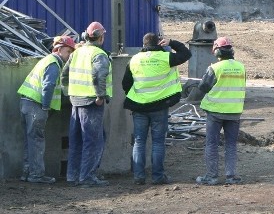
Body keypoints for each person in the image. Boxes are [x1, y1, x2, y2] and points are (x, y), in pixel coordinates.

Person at [123, 33, 191, 185]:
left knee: (139, 142)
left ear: (144, 44)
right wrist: (171, 42)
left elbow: (125, 83)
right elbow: (186, 53)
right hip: (160, 106)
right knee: (158, 142)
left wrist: (136, 97)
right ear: (159, 43)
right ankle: (158, 176)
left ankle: (139, 177)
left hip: (139, 106)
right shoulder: (166, 58)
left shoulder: (134, 60)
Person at [17, 35, 77, 184]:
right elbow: (48, 85)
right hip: (36, 106)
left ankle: (27, 173)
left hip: (26, 103)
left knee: (30, 141)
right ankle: (36, 175)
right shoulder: (53, 64)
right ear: (59, 49)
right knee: (37, 141)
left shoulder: (47, 60)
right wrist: (45, 105)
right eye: (68, 51)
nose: (70, 55)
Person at [61, 21, 112, 187]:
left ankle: (73, 176)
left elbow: (64, 74)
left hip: (76, 100)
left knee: (76, 140)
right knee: (93, 140)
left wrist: (68, 92)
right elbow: (99, 76)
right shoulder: (98, 54)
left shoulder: (77, 52)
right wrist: (100, 95)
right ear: (101, 37)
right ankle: (87, 177)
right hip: (91, 102)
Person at [195, 37, 246, 186]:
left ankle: (211, 176)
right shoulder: (241, 67)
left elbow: (203, 87)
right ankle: (231, 176)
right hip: (234, 112)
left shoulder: (215, 68)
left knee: (212, 144)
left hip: (215, 112)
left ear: (216, 51)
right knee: (231, 145)